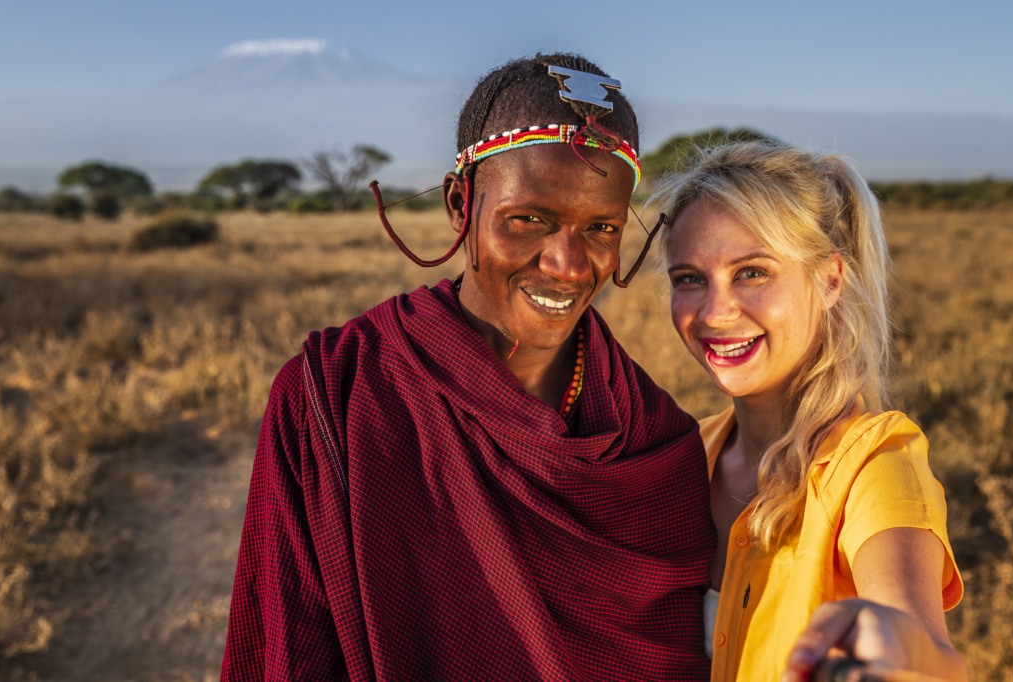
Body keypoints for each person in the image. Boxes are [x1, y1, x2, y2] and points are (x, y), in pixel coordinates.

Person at [220, 53, 718, 681]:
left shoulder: (656, 449)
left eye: (601, 228)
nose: (567, 264)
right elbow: (290, 649)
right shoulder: (336, 397)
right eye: (528, 220)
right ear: (460, 204)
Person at [649, 141, 967, 682]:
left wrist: (899, 653)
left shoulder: (875, 465)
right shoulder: (683, 453)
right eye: (689, 279)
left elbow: (927, 650)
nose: (715, 312)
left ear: (830, 280)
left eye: (751, 272)